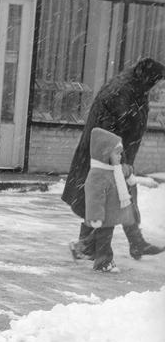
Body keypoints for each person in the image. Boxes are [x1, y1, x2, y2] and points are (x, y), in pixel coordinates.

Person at [62, 57, 165, 260]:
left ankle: (132, 244)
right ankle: (89, 248)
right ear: (148, 78)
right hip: (108, 157)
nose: (158, 87)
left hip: (116, 155)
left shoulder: (135, 87)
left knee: (118, 200)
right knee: (107, 204)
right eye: (158, 82)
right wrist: (116, 159)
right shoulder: (122, 91)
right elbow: (110, 127)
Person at [73, 128, 137, 273]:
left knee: (102, 235)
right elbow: (94, 197)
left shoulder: (114, 169)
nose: (120, 156)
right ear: (105, 154)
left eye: (121, 153)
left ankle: (80, 248)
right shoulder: (98, 174)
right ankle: (103, 263)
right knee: (104, 238)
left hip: (111, 212)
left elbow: (124, 170)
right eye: (117, 153)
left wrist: (130, 174)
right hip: (104, 214)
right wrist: (96, 216)